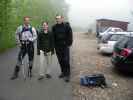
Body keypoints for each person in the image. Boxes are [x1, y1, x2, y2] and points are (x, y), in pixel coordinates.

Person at [52, 15, 73, 82]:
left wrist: (69, 44)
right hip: (58, 46)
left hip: (65, 46)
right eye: (56, 18)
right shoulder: (54, 27)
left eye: (59, 18)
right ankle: (63, 72)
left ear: (62, 19)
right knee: (60, 60)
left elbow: (70, 35)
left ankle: (67, 75)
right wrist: (54, 46)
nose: (58, 19)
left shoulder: (67, 26)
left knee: (66, 60)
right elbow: (53, 37)